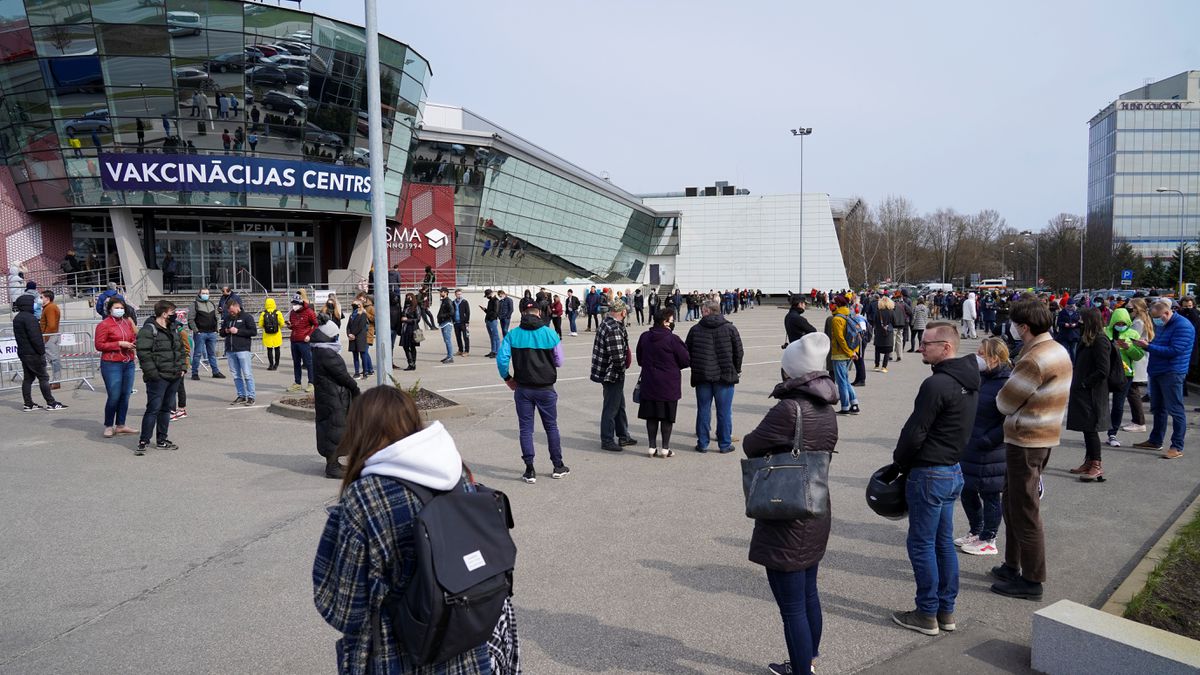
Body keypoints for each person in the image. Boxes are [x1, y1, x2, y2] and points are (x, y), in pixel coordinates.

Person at [312, 387, 521, 673]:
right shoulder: (456, 473)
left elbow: (345, 610)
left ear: (360, 431)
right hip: (467, 648)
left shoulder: (366, 497)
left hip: (399, 656)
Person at [744, 332, 837, 675]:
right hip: (816, 504)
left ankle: (801, 670)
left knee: (792, 607)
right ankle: (807, 659)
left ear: (792, 372)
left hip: (788, 509)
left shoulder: (789, 409)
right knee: (808, 592)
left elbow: (751, 444)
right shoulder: (827, 406)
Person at [890, 322, 978, 636]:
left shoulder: (938, 384)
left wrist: (899, 462)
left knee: (922, 544)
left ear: (946, 347)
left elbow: (915, 432)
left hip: (930, 472)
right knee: (942, 543)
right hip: (952, 469)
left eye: (927, 344)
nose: (921, 348)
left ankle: (927, 612)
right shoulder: (968, 380)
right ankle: (946, 610)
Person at [992, 299, 1073, 600]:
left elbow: (1005, 402)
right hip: (1042, 436)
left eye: (1014, 323)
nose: (1011, 328)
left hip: (1027, 439)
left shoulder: (1034, 359)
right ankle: (1012, 564)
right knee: (1012, 502)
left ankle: (1032, 578)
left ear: (1023, 327)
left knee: (1024, 509)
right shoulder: (1057, 349)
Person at [498, 297, 568, 483]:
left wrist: (508, 378)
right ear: (539, 312)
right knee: (551, 426)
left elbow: (502, 360)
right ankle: (557, 465)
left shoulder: (512, 334)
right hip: (545, 388)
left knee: (526, 429)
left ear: (522, 313)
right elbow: (560, 361)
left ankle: (529, 469)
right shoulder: (550, 333)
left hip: (523, 388)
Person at [957, 337, 1011, 557]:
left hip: (991, 449)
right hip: (969, 444)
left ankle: (989, 538)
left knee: (989, 494)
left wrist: (988, 440)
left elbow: (1009, 419)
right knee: (967, 490)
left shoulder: (1007, 381)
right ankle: (976, 530)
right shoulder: (978, 377)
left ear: (995, 358)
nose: (977, 357)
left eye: (982, 354)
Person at [1132, 299, 1196, 460]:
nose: (1156, 322)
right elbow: (1159, 343)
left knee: (1175, 410)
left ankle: (1176, 446)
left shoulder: (1183, 326)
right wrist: (1148, 344)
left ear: (1167, 313)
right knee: (1158, 408)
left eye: (1159, 317)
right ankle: (1155, 440)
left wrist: (1148, 346)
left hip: (1172, 372)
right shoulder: (1163, 324)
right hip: (1158, 371)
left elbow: (1175, 350)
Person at [685, 298, 745, 453]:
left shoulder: (695, 329)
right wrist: (736, 369)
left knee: (703, 409)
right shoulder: (730, 329)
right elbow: (739, 352)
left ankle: (703, 443)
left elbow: (687, 352)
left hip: (702, 375)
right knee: (724, 411)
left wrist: (696, 366)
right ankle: (724, 444)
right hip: (725, 376)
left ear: (707, 311)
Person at [635, 308, 690, 458]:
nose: (672, 323)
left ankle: (652, 446)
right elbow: (685, 360)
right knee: (667, 417)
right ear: (665, 322)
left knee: (651, 417)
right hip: (668, 384)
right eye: (671, 321)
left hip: (649, 382)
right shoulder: (673, 339)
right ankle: (665, 448)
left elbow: (640, 359)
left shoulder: (645, 337)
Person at [310, 318, 360, 479]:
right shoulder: (327, 353)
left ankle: (334, 462)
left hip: (327, 395)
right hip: (333, 397)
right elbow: (342, 375)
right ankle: (332, 466)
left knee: (330, 428)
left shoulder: (319, 349)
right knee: (334, 429)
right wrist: (355, 387)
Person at [135, 300, 186, 455]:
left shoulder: (174, 328)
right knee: (153, 409)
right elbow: (143, 353)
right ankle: (144, 440)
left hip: (174, 375)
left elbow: (181, 349)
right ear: (164, 313)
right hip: (158, 377)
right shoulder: (148, 330)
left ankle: (162, 440)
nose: (175, 315)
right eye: (172, 312)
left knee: (166, 410)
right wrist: (153, 374)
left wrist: (182, 368)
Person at [591, 299, 635, 452]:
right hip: (612, 374)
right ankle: (607, 439)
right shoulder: (613, 328)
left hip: (606, 372)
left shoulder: (606, 323)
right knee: (611, 407)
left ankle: (623, 435)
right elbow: (616, 356)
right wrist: (621, 369)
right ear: (622, 312)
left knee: (619, 405)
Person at [13, 294, 66, 412]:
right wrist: (41, 351)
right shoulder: (30, 318)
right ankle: (51, 403)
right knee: (43, 377)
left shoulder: (18, 318)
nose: (36, 303)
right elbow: (35, 337)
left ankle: (28, 404)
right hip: (33, 353)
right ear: (27, 304)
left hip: (23, 352)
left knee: (28, 378)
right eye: (33, 302)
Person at [1102, 307, 1144, 450]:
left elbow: (1139, 355)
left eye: (1123, 323)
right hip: (1106, 373)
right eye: (1118, 323)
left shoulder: (1133, 333)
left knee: (1118, 405)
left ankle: (1112, 433)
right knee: (1100, 403)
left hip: (1125, 375)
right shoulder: (1105, 332)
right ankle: (1093, 433)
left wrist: (1128, 348)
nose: (1120, 325)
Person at [1121, 298, 1152, 433]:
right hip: (1139, 359)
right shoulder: (1142, 320)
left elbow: (1130, 339)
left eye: (1130, 308)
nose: (1128, 310)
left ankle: (1139, 421)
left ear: (1137, 309)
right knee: (1132, 391)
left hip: (1135, 360)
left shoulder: (1138, 322)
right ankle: (1137, 420)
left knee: (1132, 392)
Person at [220, 300, 257, 406]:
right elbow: (221, 332)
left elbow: (253, 332)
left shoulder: (247, 317)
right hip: (231, 350)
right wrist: (226, 331)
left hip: (243, 349)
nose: (231, 313)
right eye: (229, 311)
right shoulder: (227, 318)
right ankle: (241, 395)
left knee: (247, 374)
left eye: (232, 311)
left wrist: (238, 331)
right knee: (236, 375)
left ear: (237, 307)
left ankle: (251, 396)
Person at [828, 295, 861, 415]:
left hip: (839, 354)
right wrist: (854, 352)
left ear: (837, 304)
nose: (831, 305)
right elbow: (858, 334)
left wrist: (849, 352)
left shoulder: (836, 319)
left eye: (833, 303)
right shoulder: (851, 315)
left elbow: (840, 339)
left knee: (841, 381)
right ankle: (854, 404)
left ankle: (845, 406)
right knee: (845, 380)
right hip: (849, 354)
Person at [188, 288, 225, 379]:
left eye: (207, 293)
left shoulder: (211, 304)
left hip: (211, 333)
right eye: (204, 293)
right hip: (200, 333)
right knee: (197, 354)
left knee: (212, 353)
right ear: (199, 294)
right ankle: (194, 373)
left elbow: (216, 318)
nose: (206, 294)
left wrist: (216, 330)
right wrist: (196, 331)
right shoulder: (194, 305)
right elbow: (191, 319)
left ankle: (215, 372)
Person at [287, 293, 318, 393]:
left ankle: (312, 383)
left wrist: (309, 335)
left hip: (304, 341)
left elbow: (316, 324)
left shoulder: (309, 312)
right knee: (296, 363)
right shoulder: (292, 312)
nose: (293, 306)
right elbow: (294, 325)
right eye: (292, 304)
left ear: (300, 303)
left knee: (309, 363)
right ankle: (297, 383)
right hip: (294, 340)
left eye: (295, 304)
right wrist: (289, 326)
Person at [38, 289, 61, 389]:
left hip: (49, 336)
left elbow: (51, 325)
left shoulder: (50, 308)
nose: (40, 299)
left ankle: (57, 381)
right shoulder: (48, 307)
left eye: (41, 297)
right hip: (51, 335)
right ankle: (56, 380)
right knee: (53, 359)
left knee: (53, 359)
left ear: (47, 298)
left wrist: (45, 337)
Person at [347, 299, 371, 379]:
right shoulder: (351, 315)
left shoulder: (363, 314)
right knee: (355, 356)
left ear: (359, 305)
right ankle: (356, 372)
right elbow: (348, 326)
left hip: (360, 337)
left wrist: (353, 334)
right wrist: (349, 334)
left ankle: (365, 372)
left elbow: (361, 326)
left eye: (355, 304)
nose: (353, 305)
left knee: (363, 355)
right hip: (352, 338)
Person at [258, 297, 285, 371]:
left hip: (267, 335)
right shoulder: (278, 312)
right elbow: (282, 324)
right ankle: (276, 364)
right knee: (277, 349)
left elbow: (260, 325)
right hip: (276, 334)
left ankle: (271, 364)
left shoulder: (263, 313)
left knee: (269, 349)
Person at [873, 296, 895, 372]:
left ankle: (876, 365)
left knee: (877, 350)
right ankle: (884, 367)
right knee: (887, 351)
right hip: (888, 333)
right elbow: (894, 323)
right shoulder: (891, 312)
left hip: (879, 333)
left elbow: (874, 321)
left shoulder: (877, 312)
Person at [435, 287, 455, 364]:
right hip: (443, 323)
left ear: (446, 292)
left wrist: (442, 316)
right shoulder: (444, 301)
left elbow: (452, 312)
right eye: (440, 292)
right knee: (446, 340)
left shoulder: (448, 301)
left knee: (448, 340)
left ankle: (450, 357)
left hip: (447, 323)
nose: (440, 293)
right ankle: (448, 355)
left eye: (441, 292)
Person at [481, 289, 500, 358]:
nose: (487, 297)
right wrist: (485, 310)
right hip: (488, 320)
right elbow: (489, 312)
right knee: (492, 337)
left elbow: (496, 312)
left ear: (491, 294)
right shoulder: (490, 301)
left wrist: (490, 317)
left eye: (488, 295)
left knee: (496, 337)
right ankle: (493, 351)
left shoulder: (496, 301)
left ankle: (497, 352)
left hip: (492, 321)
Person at [452, 289, 471, 357]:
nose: (459, 295)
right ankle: (460, 350)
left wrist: (466, 321)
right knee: (458, 337)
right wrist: (453, 320)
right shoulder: (453, 302)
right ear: (455, 295)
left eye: (460, 294)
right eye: (458, 294)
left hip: (464, 323)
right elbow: (452, 312)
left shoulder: (464, 302)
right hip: (456, 323)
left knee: (466, 337)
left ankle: (466, 351)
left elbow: (468, 312)